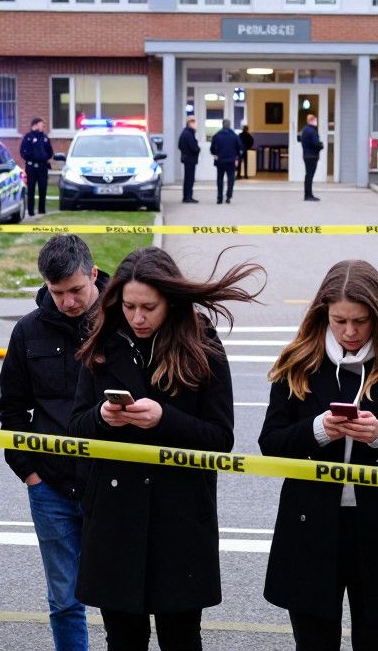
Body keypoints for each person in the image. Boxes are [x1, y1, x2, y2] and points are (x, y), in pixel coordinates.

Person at [69, 247, 263, 651]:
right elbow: (76, 428)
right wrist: (103, 417)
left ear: (170, 302)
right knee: (122, 638)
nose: (138, 318)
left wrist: (165, 419)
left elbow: (220, 437)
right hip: (116, 520)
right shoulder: (102, 341)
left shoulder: (201, 343)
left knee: (181, 637)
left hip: (178, 521)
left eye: (149, 307)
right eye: (129, 306)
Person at [259, 260, 378, 650]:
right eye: (339, 321)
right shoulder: (299, 358)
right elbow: (270, 441)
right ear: (323, 315)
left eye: (361, 321)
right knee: (314, 643)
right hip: (311, 526)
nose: (350, 332)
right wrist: (317, 430)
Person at [0, 234, 108, 651]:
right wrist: (30, 472)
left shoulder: (120, 321)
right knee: (63, 599)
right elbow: (11, 409)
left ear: (93, 274)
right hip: (52, 487)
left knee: (122, 596)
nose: (68, 301)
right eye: (56, 292)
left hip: (111, 480)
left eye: (76, 290)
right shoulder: (28, 331)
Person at [20, 118, 55, 217]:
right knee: (31, 189)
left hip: (42, 167)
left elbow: (50, 152)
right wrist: (32, 157)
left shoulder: (45, 138)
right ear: (35, 125)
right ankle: (30, 211)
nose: (43, 126)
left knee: (43, 188)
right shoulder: (28, 137)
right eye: (41, 124)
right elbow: (23, 152)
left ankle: (42, 210)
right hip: (31, 167)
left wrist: (44, 157)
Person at [210, 118, 244, 205]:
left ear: (222, 125)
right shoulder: (234, 136)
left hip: (220, 161)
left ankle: (219, 198)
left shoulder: (216, 136)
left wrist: (216, 154)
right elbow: (240, 148)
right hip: (231, 161)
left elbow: (212, 149)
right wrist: (237, 158)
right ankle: (228, 196)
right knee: (231, 179)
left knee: (220, 179)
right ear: (229, 125)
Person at [300, 113, 324, 202]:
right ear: (312, 121)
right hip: (312, 156)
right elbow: (316, 143)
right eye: (315, 120)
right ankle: (308, 195)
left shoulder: (305, 130)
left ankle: (308, 194)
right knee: (310, 176)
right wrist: (321, 146)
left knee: (308, 175)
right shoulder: (312, 131)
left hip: (306, 155)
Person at [178, 117, 201, 203]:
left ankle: (187, 196)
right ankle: (188, 197)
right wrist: (198, 149)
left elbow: (179, 145)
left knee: (188, 178)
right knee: (189, 179)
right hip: (190, 159)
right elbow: (194, 147)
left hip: (187, 159)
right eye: (194, 122)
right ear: (190, 123)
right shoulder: (188, 134)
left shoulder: (185, 133)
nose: (196, 124)